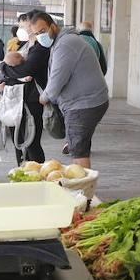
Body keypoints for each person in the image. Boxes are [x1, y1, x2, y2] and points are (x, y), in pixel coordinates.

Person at [32, 11, 110, 168]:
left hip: (83, 104)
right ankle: (82, 188)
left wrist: (44, 97)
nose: (40, 36)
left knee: (78, 152)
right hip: (85, 102)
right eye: (36, 34)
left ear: (53, 26)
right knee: (78, 148)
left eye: (42, 31)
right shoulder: (63, 41)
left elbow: (56, 81)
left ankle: (83, 190)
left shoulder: (65, 44)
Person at [0, 12, 49, 165]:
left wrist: (5, 70)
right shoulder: (24, 45)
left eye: (23, 25)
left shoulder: (41, 47)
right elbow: (9, 64)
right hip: (15, 99)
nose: (22, 29)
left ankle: (36, 174)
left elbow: (26, 70)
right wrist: (3, 75)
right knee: (17, 139)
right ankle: (22, 170)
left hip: (32, 100)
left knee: (32, 140)